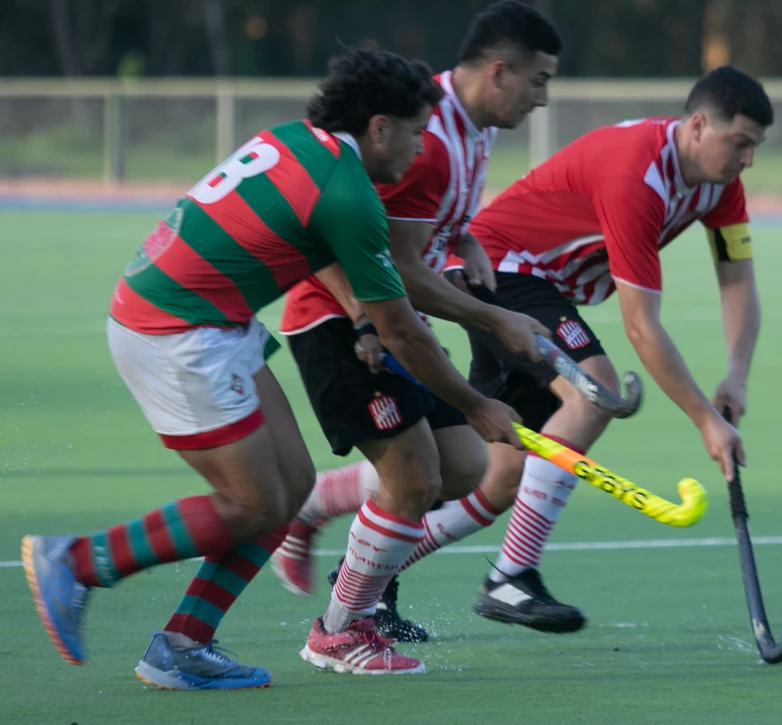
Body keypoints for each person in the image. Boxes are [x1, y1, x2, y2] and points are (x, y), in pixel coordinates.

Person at [21, 46, 522, 688]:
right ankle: (80, 562)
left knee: (287, 490)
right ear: (380, 127)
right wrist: (475, 404)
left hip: (211, 321)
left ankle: (180, 646)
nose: (421, 149)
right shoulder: (349, 191)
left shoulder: (297, 144)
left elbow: (317, 250)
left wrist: (364, 317)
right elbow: (402, 329)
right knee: (252, 501)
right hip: (174, 331)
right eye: (417, 132)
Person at [269, 0, 563, 645]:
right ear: (498, 72)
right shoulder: (424, 140)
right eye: (538, 80)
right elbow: (388, 263)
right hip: (347, 317)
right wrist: (494, 316)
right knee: (415, 476)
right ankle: (346, 626)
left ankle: (317, 509)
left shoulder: (470, 128)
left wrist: (466, 243)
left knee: (460, 468)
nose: (543, 98)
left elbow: (427, 227)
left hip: (395, 314)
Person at [458, 65, 771, 632]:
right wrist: (706, 421)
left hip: (542, 285)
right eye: (740, 143)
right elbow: (641, 327)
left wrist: (737, 375)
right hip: (501, 267)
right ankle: (510, 577)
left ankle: (360, 564)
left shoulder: (718, 183)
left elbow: (738, 281)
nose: (747, 160)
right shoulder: (638, 176)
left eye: (755, 148)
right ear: (698, 126)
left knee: (496, 476)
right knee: (596, 391)